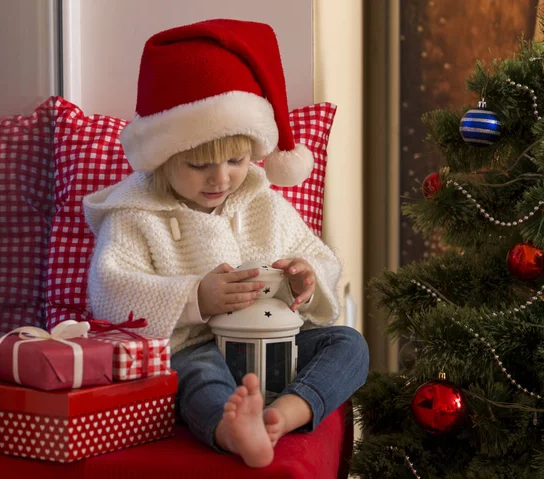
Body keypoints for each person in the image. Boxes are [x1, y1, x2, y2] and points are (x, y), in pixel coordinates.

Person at [83, 19, 369, 468]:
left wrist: (307, 280)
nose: (220, 178)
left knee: (350, 345)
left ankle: (285, 412)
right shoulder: (135, 215)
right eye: (198, 165)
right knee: (196, 376)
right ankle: (232, 429)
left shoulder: (263, 204)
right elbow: (109, 292)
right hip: (196, 347)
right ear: (163, 156)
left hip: (277, 346)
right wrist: (195, 297)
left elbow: (318, 257)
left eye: (235, 160)